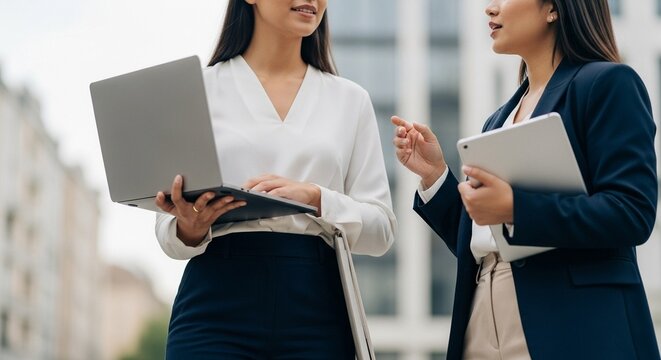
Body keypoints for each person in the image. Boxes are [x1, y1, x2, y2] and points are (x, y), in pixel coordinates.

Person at [392, 0, 659, 359]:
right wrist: (435, 176)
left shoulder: (607, 83)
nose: (490, 8)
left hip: (571, 323)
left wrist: (517, 207)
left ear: (553, 8)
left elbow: (632, 212)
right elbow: (487, 238)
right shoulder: (498, 119)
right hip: (481, 314)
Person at [154, 0, 397, 358]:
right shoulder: (197, 90)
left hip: (317, 306)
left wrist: (317, 198)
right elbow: (167, 233)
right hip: (214, 305)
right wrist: (189, 228)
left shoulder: (350, 100)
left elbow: (382, 232)